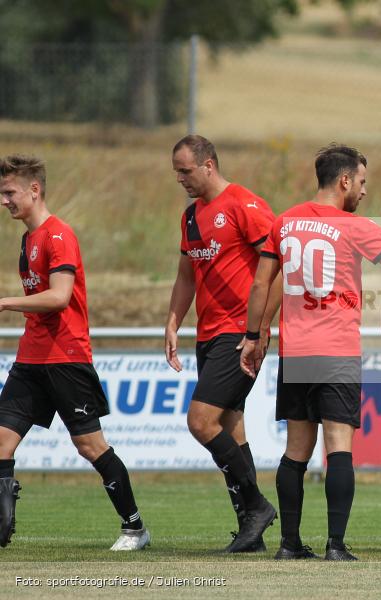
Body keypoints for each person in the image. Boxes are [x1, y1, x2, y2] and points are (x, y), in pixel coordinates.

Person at [240, 144, 381, 561]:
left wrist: (254, 334)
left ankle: (288, 545)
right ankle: (335, 546)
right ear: (344, 180)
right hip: (337, 351)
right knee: (339, 447)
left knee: (295, 451)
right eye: (361, 182)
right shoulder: (355, 227)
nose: (363, 191)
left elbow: (260, 285)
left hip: (297, 352)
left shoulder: (285, 222)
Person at [0, 155, 149, 551]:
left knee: (90, 446)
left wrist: (5, 303)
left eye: (9, 192)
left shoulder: (57, 235)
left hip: (66, 356)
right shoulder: (26, 239)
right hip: (31, 358)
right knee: (1, 441)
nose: (4, 201)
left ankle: (134, 528)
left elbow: (60, 297)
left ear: (34, 190)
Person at [165, 135, 280, 553]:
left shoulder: (245, 206)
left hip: (239, 335)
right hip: (209, 335)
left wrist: (261, 330)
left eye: (185, 171)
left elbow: (277, 271)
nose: (180, 179)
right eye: (176, 172)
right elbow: (185, 275)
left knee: (200, 422)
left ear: (208, 165)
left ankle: (257, 507)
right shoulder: (191, 216)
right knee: (232, 427)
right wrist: (174, 321)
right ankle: (250, 530)